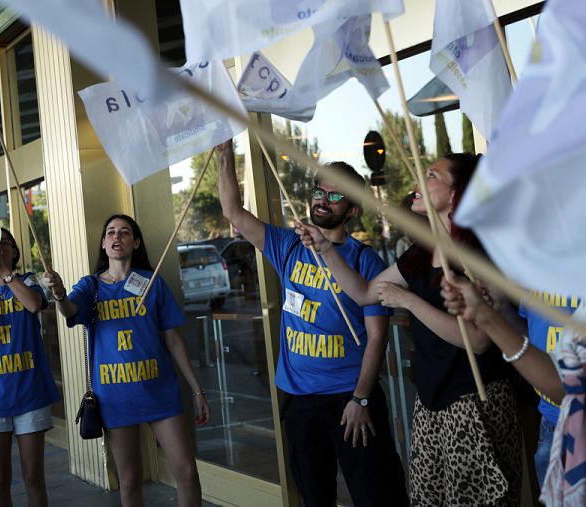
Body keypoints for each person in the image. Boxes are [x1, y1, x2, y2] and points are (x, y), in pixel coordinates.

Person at [297, 153, 522, 505]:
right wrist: (325, 248)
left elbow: (477, 341)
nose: (419, 179)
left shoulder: (478, 253)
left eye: (431, 174)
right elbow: (364, 292)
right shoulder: (420, 252)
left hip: (473, 403)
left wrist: (409, 301)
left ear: (457, 194)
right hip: (430, 402)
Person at [216, 140, 407, 506]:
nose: (322, 199)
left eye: (334, 196)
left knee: (377, 495)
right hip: (300, 401)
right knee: (314, 497)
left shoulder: (365, 261)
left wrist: (361, 398)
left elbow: (377, 338)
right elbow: (233, 212)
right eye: (319, 190)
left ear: (351, 211)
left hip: (351, 401)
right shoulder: (287, 244)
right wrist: (226, 155)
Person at [42, 214, 210, 507]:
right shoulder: (90, 286)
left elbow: (173, 339)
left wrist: (197, 390)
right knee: (130, 480)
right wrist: (58, 294)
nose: (117, 237)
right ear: (104, 244)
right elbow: (70, 310)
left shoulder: (152, 282)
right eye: (110, 233)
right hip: (115, 398)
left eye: (124, 232)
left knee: (187, 472)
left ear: (136, 242)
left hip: (160, 393)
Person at [439, 277, 577, 489]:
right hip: (550, 423)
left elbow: (570, 390)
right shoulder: (538, 268)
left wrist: (486, 318)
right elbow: (529, 338)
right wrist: (500, 309)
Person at [0, 227, 60, 507]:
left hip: (30, 393)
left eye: (4, 243)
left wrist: (5, 273)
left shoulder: (29, 281)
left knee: (33, 477)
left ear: (14, 251)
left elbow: (33, 304)